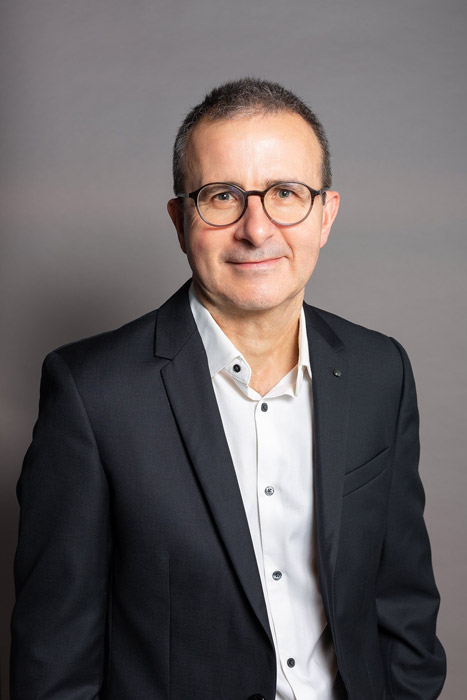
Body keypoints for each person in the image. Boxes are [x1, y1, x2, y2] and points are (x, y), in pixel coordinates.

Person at [10, 78, 446, 700]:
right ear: (180, 219)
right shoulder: (91, 395)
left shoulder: (382, 372)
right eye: (222, 196)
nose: (256, 228)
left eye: (286, 193)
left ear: (326, 215)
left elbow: (403, 606)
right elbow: (54, 663)